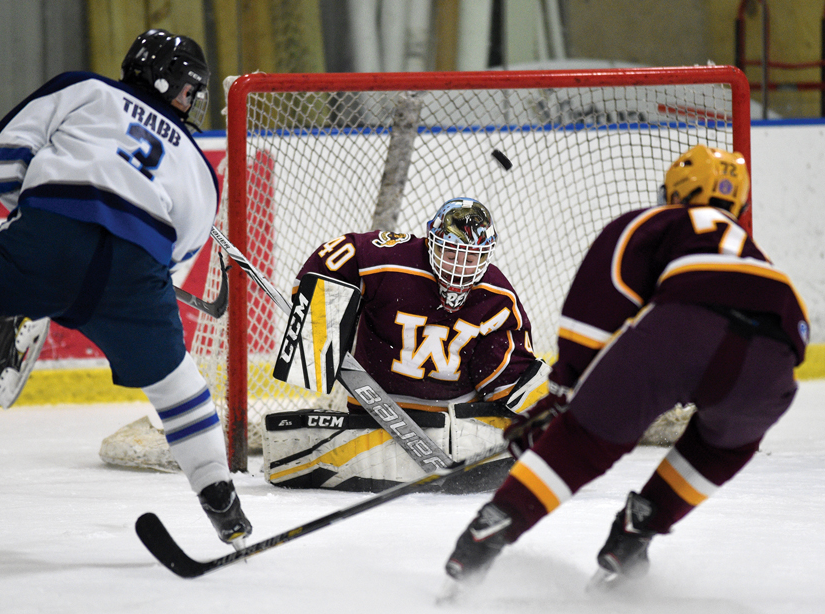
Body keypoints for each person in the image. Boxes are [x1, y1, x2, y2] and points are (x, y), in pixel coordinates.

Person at [0, 30, 251, 547]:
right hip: (134, 275)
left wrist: (37, 211)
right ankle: (221, 502)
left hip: (50, 233)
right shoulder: (197, 164)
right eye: (190, 89)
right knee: (177, 388)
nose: (192, 101)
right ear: (170, 82)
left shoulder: (85, 89)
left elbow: (2, 156)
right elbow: (179, 254)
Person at [444, 145, 809, 588]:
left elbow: (595, 309)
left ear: (675, 191)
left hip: (683, 328)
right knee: (725, 446)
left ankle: (493, 528)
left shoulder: (656, 222)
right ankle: (641, 527)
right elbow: (793, 329)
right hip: (775, 357)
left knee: (582, 443)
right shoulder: (754, 254)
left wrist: (562, 398)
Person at [262, 197, 548, 492]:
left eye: (471, 258)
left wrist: (551, 415)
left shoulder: (497, 296)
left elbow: (507, 370)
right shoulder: (392, 261)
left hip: (454, 426)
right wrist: (316, 325)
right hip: (373, 415)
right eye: (451, 253)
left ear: (486, 255)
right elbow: (339, 257)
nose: (460, 267)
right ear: (431, 242)